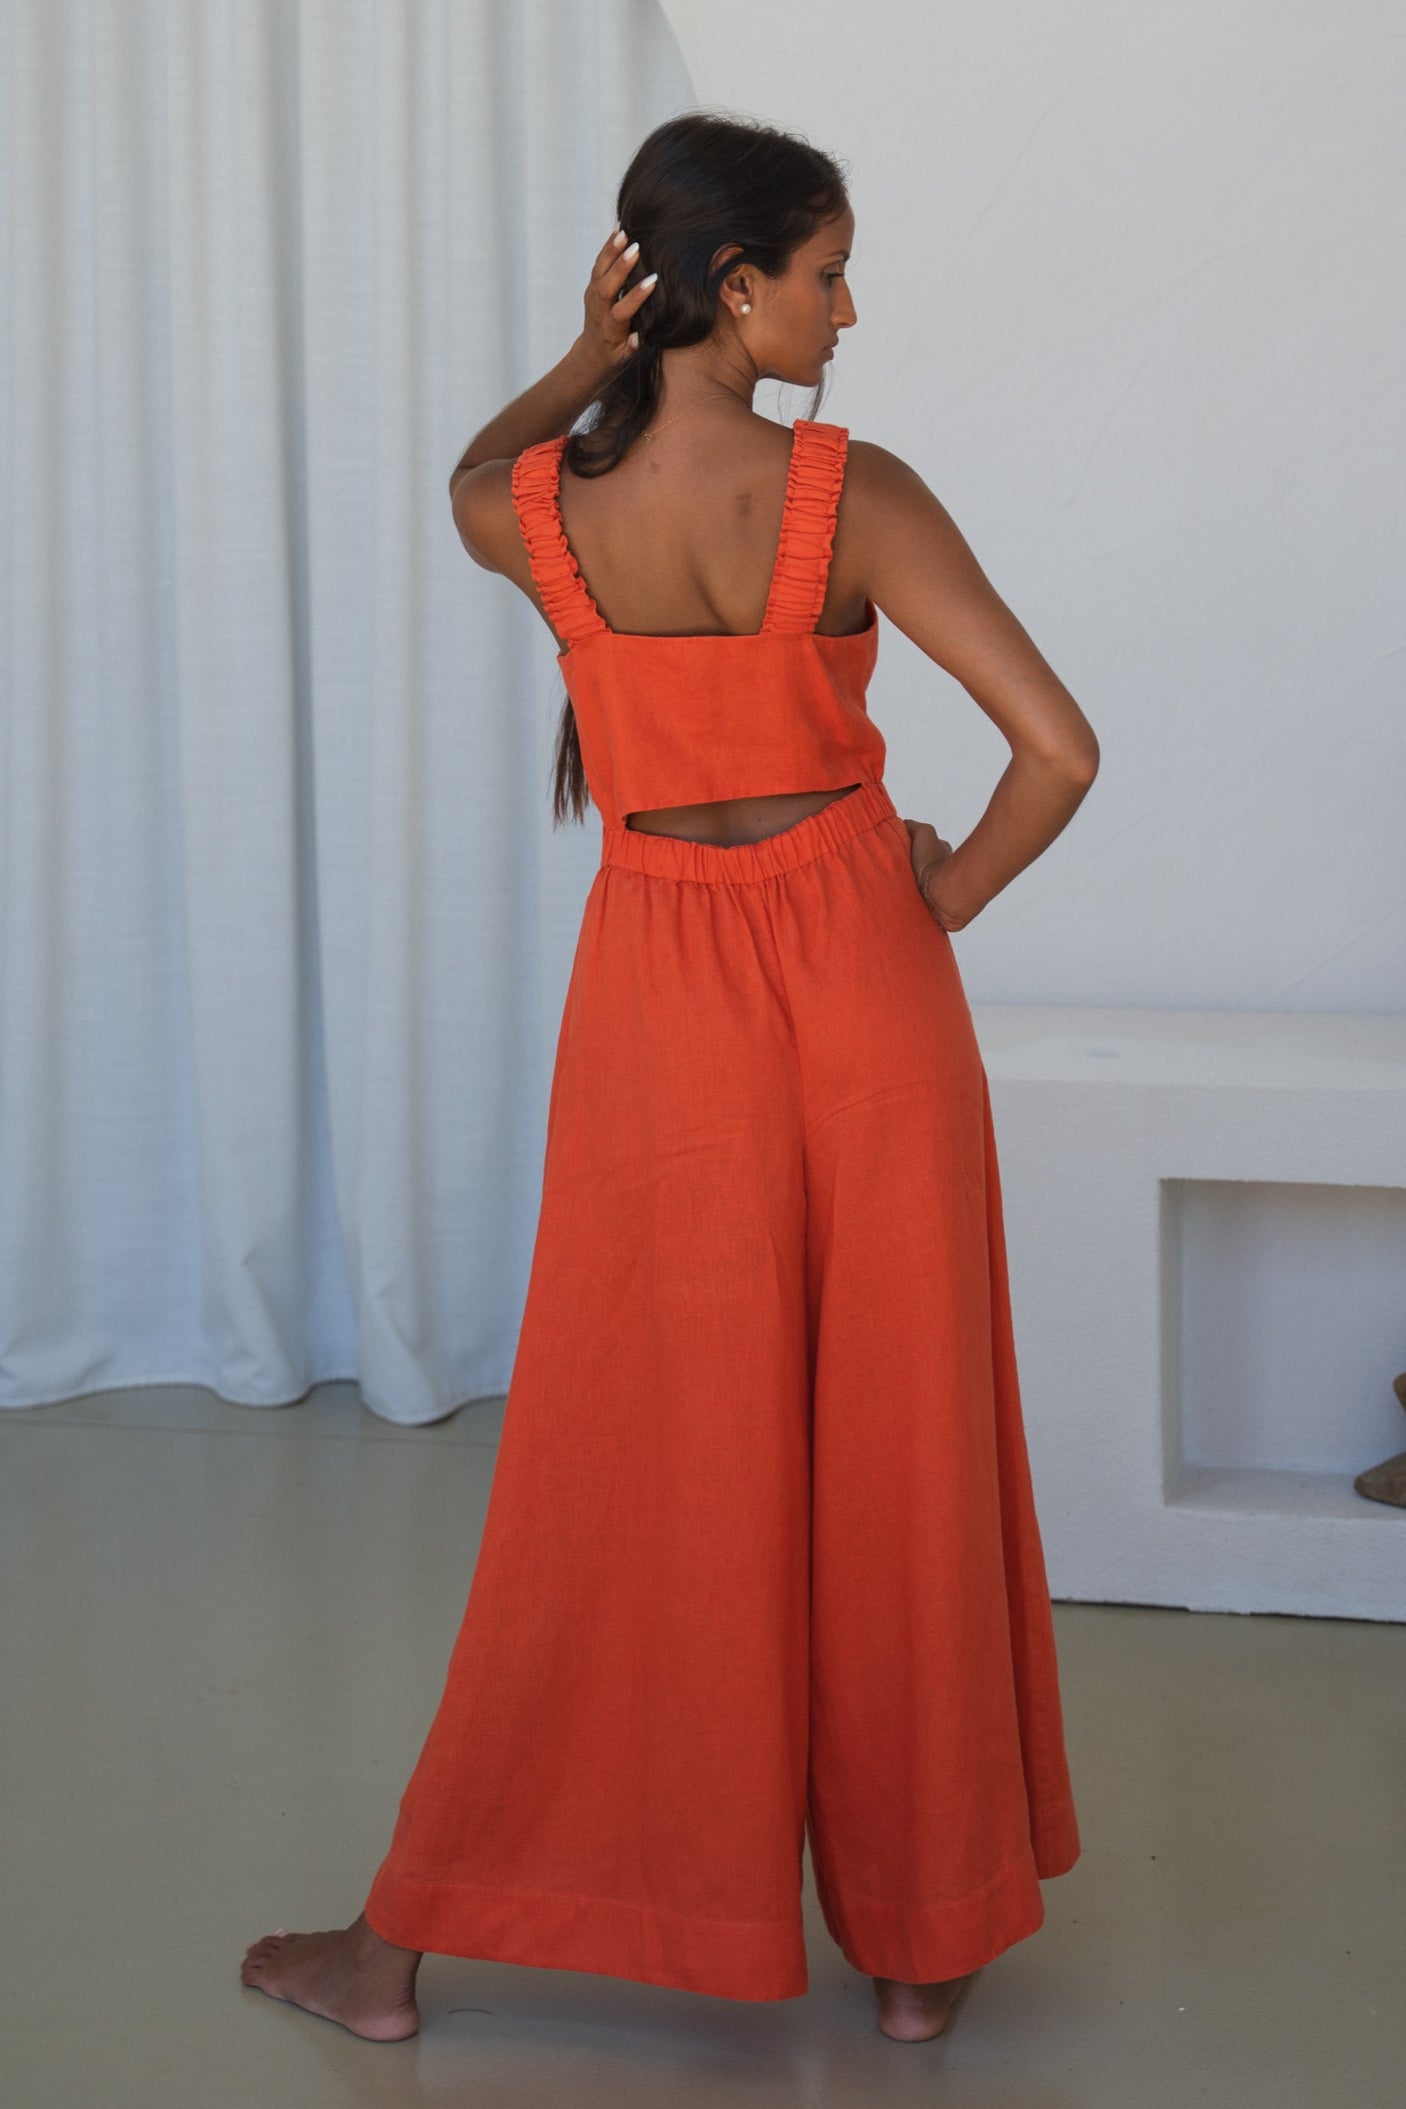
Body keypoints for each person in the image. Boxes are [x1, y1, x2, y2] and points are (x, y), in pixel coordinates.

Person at [241, 111, 1098, 2050]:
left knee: (624, 1456)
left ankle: (398, 1944)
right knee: (903, 1437)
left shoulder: (542, 513)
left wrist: (582, 357)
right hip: (862, 980)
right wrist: (940, 891)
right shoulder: (851, 493)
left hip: (660, 995)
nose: (845, 310)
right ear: (735, 282)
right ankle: (917, 1945)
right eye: (825, 272)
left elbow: (466, 475)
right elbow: (1055, 747)